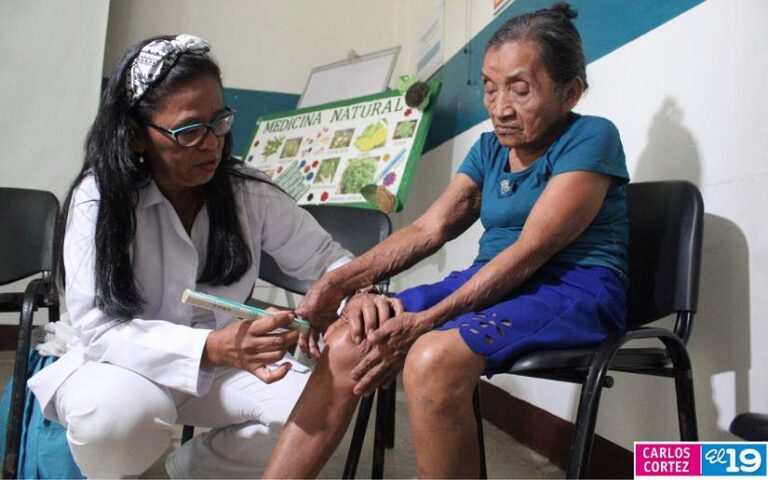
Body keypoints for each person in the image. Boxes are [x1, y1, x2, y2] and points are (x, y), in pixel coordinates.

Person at [263, 3, 630, 478]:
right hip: (493, 280)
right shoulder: (489, 149)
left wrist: (425, 322)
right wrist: (337, 284)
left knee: (430, 358)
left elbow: (531, 251)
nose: (500, 108)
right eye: (490, 88)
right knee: (348, 338)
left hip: (572, 286)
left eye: (520, 89)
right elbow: (428, 229)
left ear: (570, 92)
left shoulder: (591, 137)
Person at [27, 34, 352, 478]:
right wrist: (210, 348)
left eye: (219, 121)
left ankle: (181, 473)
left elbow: (326, 259)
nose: (212, 143)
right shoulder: (99, 198)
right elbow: (100, 329)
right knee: (116, 419)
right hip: (119, 366)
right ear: (136, 135)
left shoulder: (246, 192)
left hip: (224, 363)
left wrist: (358, 296)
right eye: (189, 130)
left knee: (316, 409)